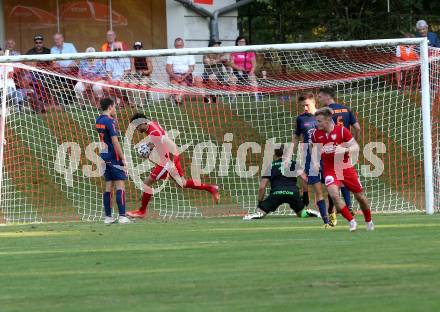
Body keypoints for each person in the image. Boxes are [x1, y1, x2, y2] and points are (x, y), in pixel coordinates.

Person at [126, 113, 220, 218]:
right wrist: (149, 147)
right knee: (182, 183)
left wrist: (148, 150)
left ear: (142, 123)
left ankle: (141, 211)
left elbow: (162, 143)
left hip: (167, 161)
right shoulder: (152, 125)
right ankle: (211, 188)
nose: (136, 129)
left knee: (147, 183)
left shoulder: (154, 132)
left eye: (136, 126)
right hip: (172, 157)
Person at [311, 107, 374, 232]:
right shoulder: (315, 134)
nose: (316, 124)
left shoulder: (342, 131)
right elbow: (313, 148)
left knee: (360, 197)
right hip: (329, 170)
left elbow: (356, 147)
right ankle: (352, 222)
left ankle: (369, 221)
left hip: (345, 168)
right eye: (316, 121)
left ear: (328, 119)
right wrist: (315, 161)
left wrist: (344, 149)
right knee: (334, 195)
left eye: (319, 121)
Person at [284, 93, 330, 226]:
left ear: (314, 102)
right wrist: (288, 156)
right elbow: (296, 138)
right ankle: (324, 217)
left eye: (307, 105)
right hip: (309, 155)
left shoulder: (323, 116)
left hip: (326, 154)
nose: (304, 108)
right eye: (302, 106)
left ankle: (331, 211)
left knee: (331, 186)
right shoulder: (300, 119)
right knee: (317, 187)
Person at [243, 144, 320, 220]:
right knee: (301, 214)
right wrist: (305, 194)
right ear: (287, 153)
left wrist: (260, 203)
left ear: (275, 153)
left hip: (277, 193)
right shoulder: (294, 163)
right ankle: (308, 212)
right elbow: (304, 178)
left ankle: (258, 214)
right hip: (292, 193)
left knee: (260, 212)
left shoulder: (271, 166)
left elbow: (262, 187)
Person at [318, 86, 359, 224]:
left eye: (320, 96)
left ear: (327, 96)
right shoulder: (346, 109)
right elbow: (357, 128)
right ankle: (349, 206)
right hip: (345, 150)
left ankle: (333, 213)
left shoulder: (327, 114)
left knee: (332, 184)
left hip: (332, 150)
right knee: (343, 180)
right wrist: (351, 144)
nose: (319, 99)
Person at [95, 98, 131, 224]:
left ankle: (108, 217)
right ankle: (122, 216)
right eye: (114, 106)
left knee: (108, 186)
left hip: (104, 155)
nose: (115, 109)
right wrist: (123, 158)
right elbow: (115, 142)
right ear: (110, 107)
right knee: (120, 185)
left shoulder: (98, 120)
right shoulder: (110, 121)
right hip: (113, 156)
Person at [201, 39, 233, 104]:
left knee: (233, 78)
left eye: (219, 45)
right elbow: (208, 63)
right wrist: (219, 59)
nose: (218, 46)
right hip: (207, 75)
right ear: (211, 46)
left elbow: (227, 65)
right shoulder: (206, 53)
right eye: (216, 44)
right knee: (210, 77)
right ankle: (211, 97)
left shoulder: (221, 53)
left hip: (220, 75)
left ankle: (232, 99)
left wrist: (229, 72)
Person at [166, 38, 196, 105]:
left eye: (180, 45)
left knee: (184, 84)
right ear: (174, 45)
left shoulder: (189, 53)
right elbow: (168, 68)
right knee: (175, 84)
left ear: (183, 45)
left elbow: (192, 67)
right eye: (177, 46)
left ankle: (177, 100)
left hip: (186, 74)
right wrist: (175, 76)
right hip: (174, 74)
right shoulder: (171, 53)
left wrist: (184, 76)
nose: (179, 47)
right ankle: (177, 100)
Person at [230, 36, 260, 101]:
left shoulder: (250, 51)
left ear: (246, 43)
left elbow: (254, 64)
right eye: (240, 42)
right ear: (237, 43)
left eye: (243, 41)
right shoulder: (234, 51)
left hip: (248, 71)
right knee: (232, 79)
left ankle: (256, 96)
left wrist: (251, 72)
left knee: (253, 78)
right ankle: (233, 97)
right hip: (237, 71)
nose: (241, 43)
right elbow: (231, 63)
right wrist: (239, 68)